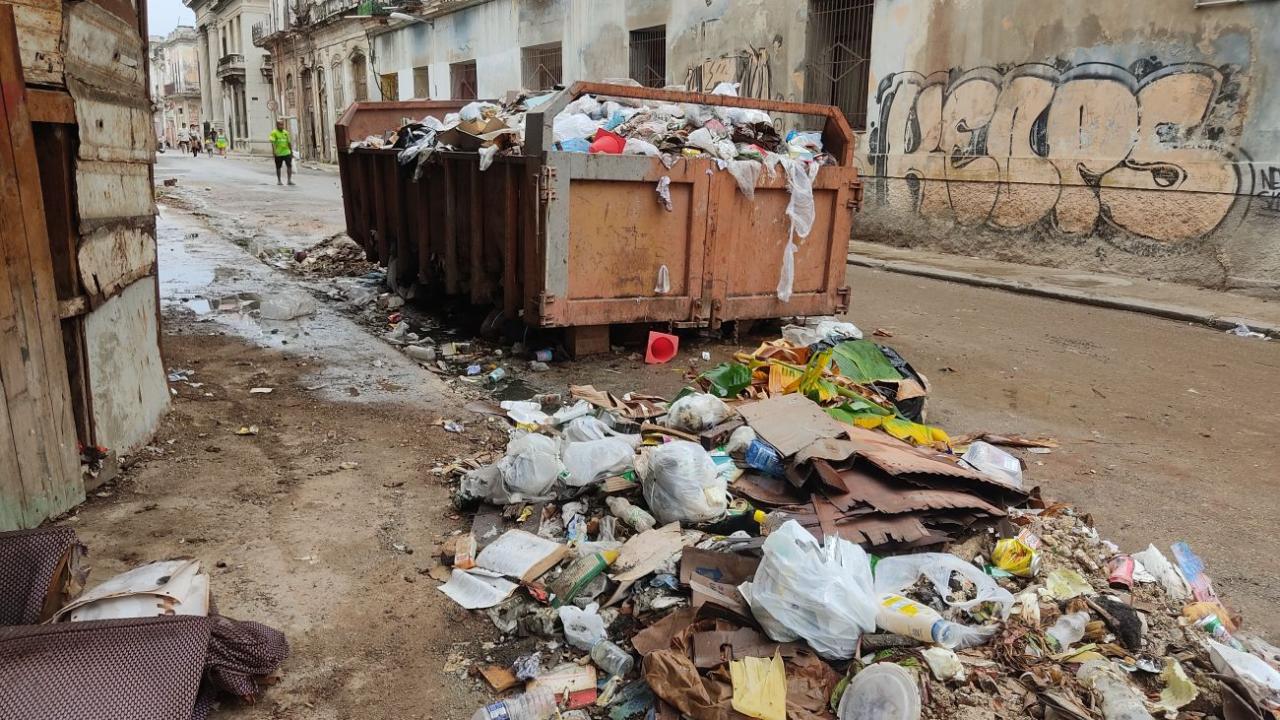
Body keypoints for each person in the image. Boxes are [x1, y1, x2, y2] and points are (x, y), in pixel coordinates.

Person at [268, 119, 295, 186]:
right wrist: (274, 152)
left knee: (289, 166)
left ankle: (289, 180)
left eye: (282, 124)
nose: (282, 126)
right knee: (278, 167)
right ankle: (279, 180)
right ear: (277, 125)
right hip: (278, 153)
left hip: (286, 152)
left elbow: (289, 143)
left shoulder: (286, 133)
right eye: (280, 124)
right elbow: (273, 143)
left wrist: (291, 152)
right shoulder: (274, 133)